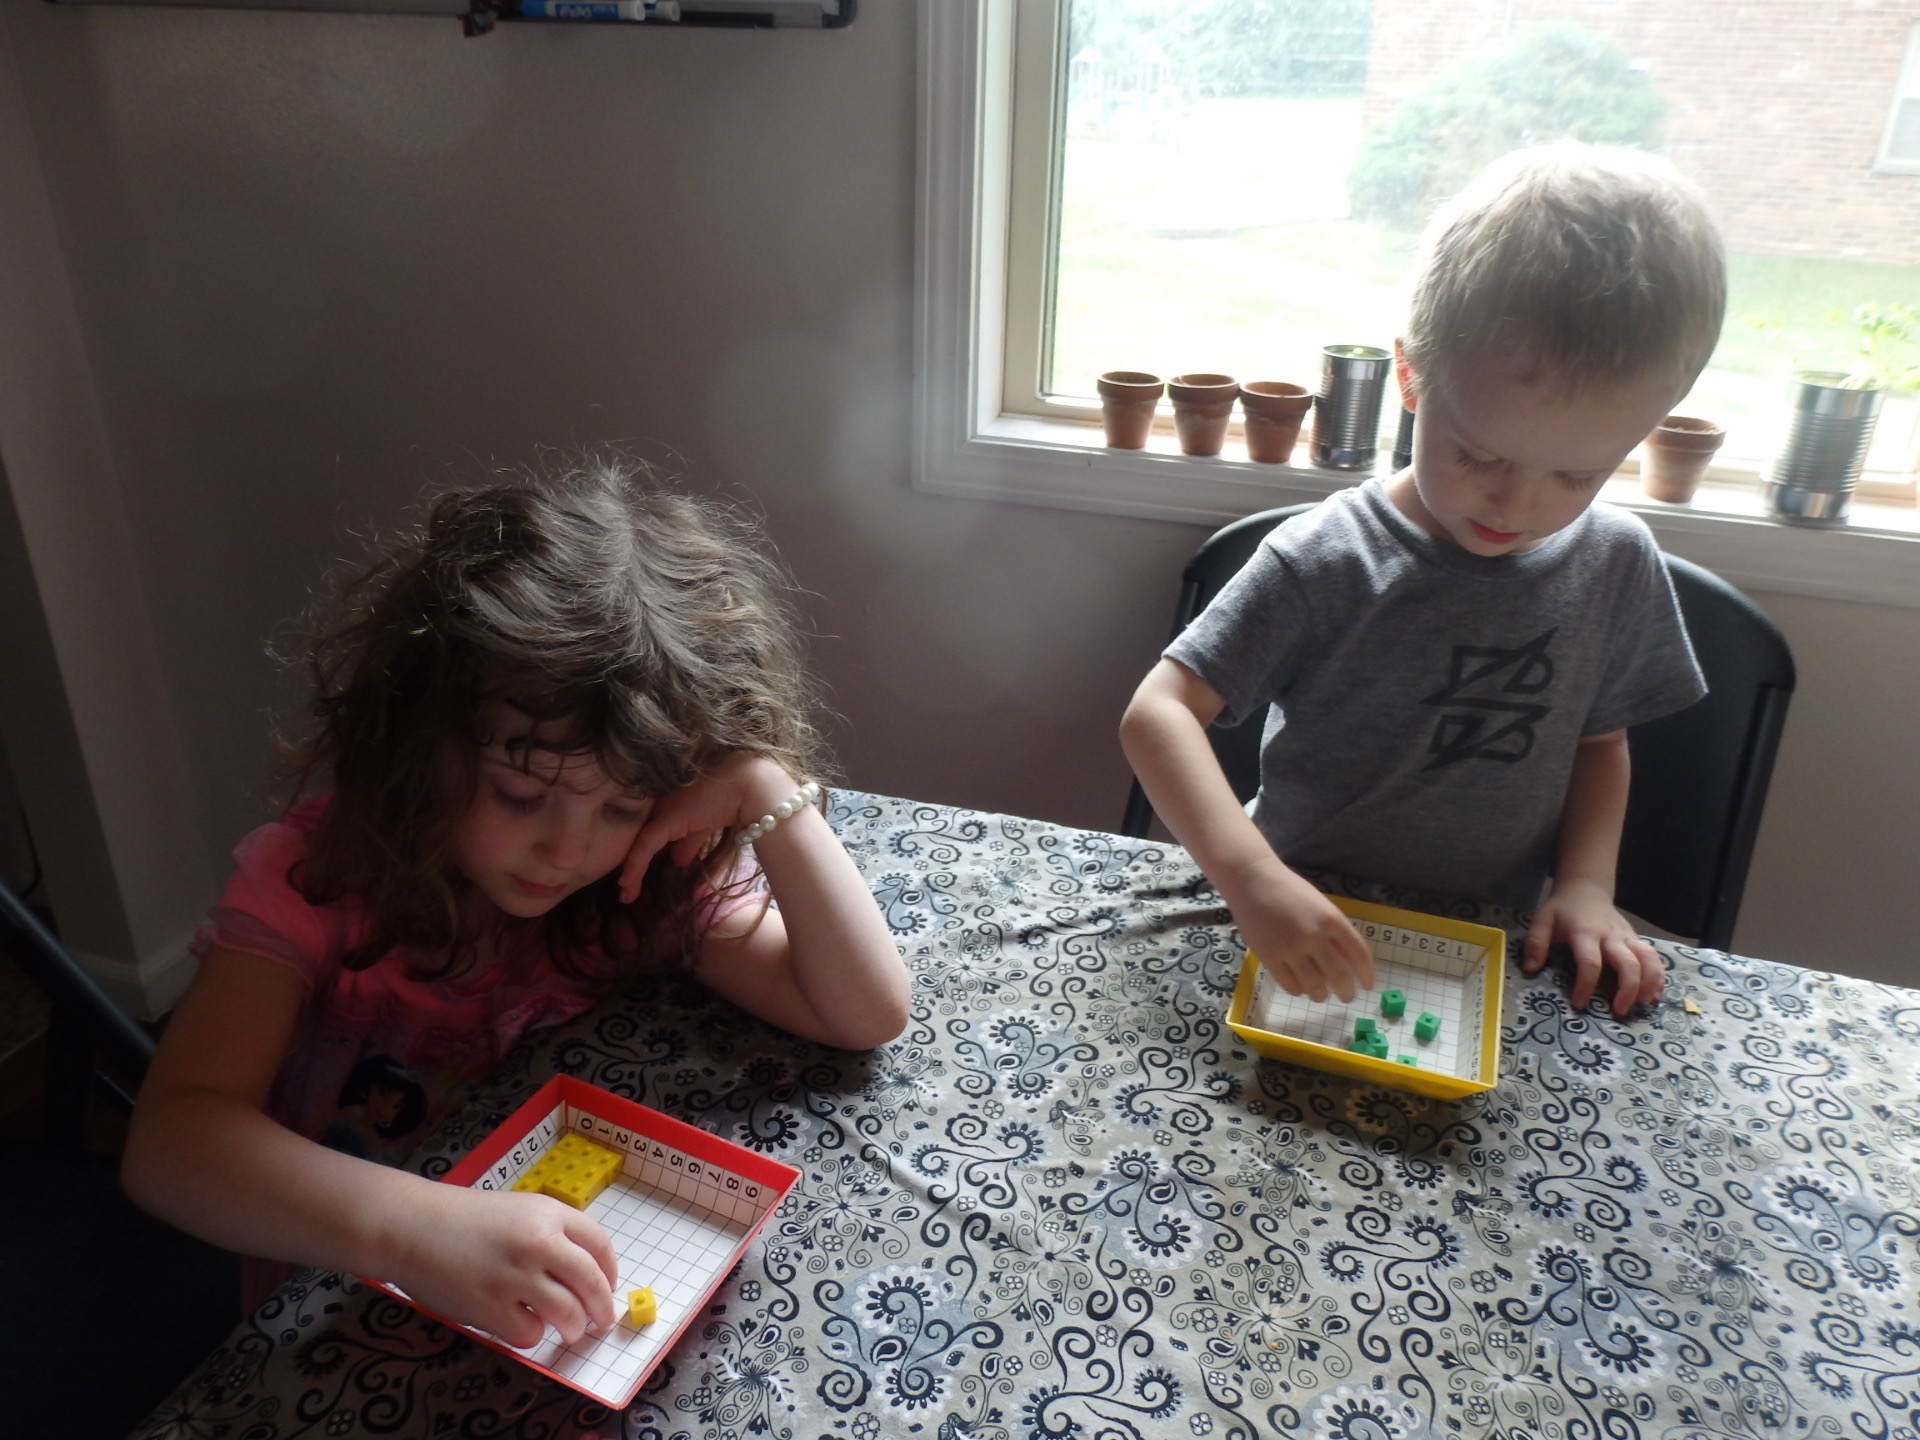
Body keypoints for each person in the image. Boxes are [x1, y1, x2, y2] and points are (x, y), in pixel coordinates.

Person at [123, 458, 912, 1347]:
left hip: (528, 1285)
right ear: (421, 746)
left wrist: (765, 787)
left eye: (621, 805)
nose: (567, 849)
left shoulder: (642, 878)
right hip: (341, 1271)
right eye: (521, 794)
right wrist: (412, 1227)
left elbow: (863, 1011)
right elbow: (173, 1142)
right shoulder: (313, 885)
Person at [1120, 142, 1722, 1021]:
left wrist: (1588, 885)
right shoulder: (1321, 559)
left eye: (1578, 475)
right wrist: (1251, 877)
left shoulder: (1617, 564)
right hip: (1296, 918)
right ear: (1411, 375)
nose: (1517, 506)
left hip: (1485, 943)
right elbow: (1158, 714)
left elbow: (1601, 745)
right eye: (1480, 455)